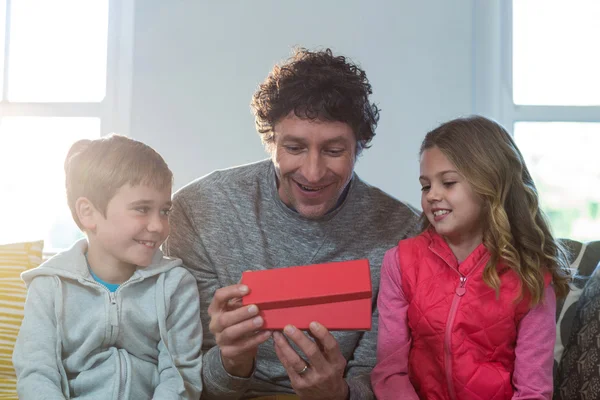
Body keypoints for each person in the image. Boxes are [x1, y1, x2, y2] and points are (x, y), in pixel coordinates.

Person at [163, 47, 420, 399]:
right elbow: (183, 378)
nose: (312, 173)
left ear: (359, 146)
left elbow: (381, 378)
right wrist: (232, 361)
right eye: (295, 148)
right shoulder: (200, 210)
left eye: (333, 151)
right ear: (270, 140)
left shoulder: (402, 231)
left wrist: (339, 394)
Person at [371, 116, 571, 399]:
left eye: (448, 182)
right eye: (426, 186)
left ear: (490, 184)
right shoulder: (400, 262)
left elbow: (533, 391)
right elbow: (390, 373)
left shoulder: (530, 276)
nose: (432, 195)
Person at [13, 135, 203, 399]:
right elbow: (36, 374)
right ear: (88, 213)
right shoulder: (49, 286)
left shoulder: (175, 285)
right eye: (141, 209)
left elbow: (180, 374)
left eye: (164, 211)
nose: (158, 226)